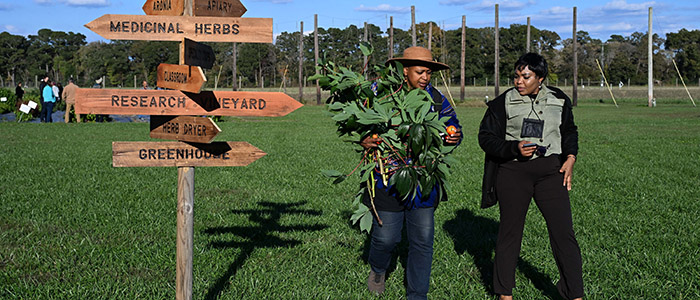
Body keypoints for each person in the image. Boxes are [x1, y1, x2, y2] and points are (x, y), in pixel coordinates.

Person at [477, 52, 583, 300]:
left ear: (540, 78)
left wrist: (570, 157)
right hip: (513, 173)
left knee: (563, 234)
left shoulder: (559, 99)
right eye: (516, 76)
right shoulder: (501, 103)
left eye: (526, 77)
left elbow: (569, 131)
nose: (519, 82)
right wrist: (513, 148)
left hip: (551, 174)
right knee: (509, 233)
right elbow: (486, 138)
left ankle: (574, 294)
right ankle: (504, 294)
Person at [361, 46, 462, 300]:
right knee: (386, 238)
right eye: (420, 72)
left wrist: (454, 136)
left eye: (428, 72)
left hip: (424, 179)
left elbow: (452, 125)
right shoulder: (381, 94)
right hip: (387, 179)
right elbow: (360, 124)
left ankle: (417, 294)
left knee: (422, 240)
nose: (425, 77)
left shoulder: (437, 99)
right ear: (404, 71)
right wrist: (365, 139)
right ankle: (378, 268)